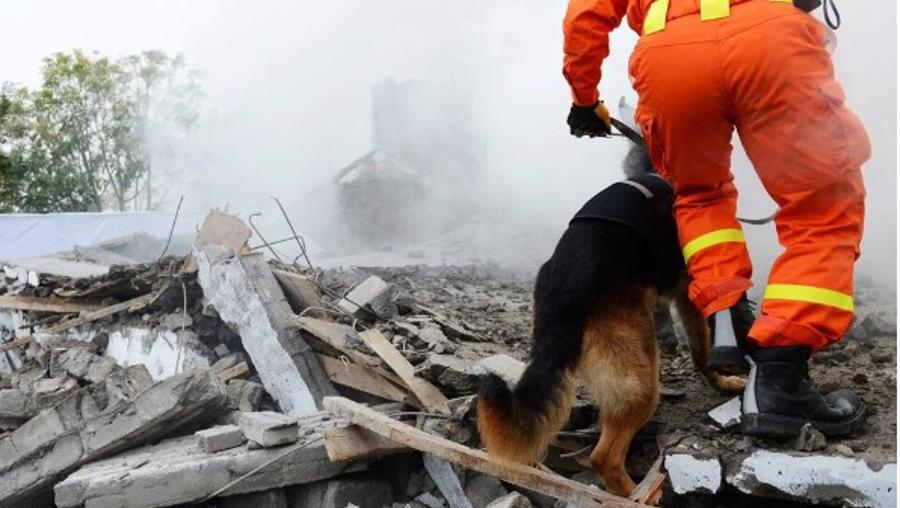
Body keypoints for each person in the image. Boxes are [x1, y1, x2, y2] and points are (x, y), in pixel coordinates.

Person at [562, 0, 870, 437]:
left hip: (670, 53)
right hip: (767, 37)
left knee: (699, 196)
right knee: (822, 208)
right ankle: (780, 379)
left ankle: (726, 318)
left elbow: (586, 13)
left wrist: (584, 99)